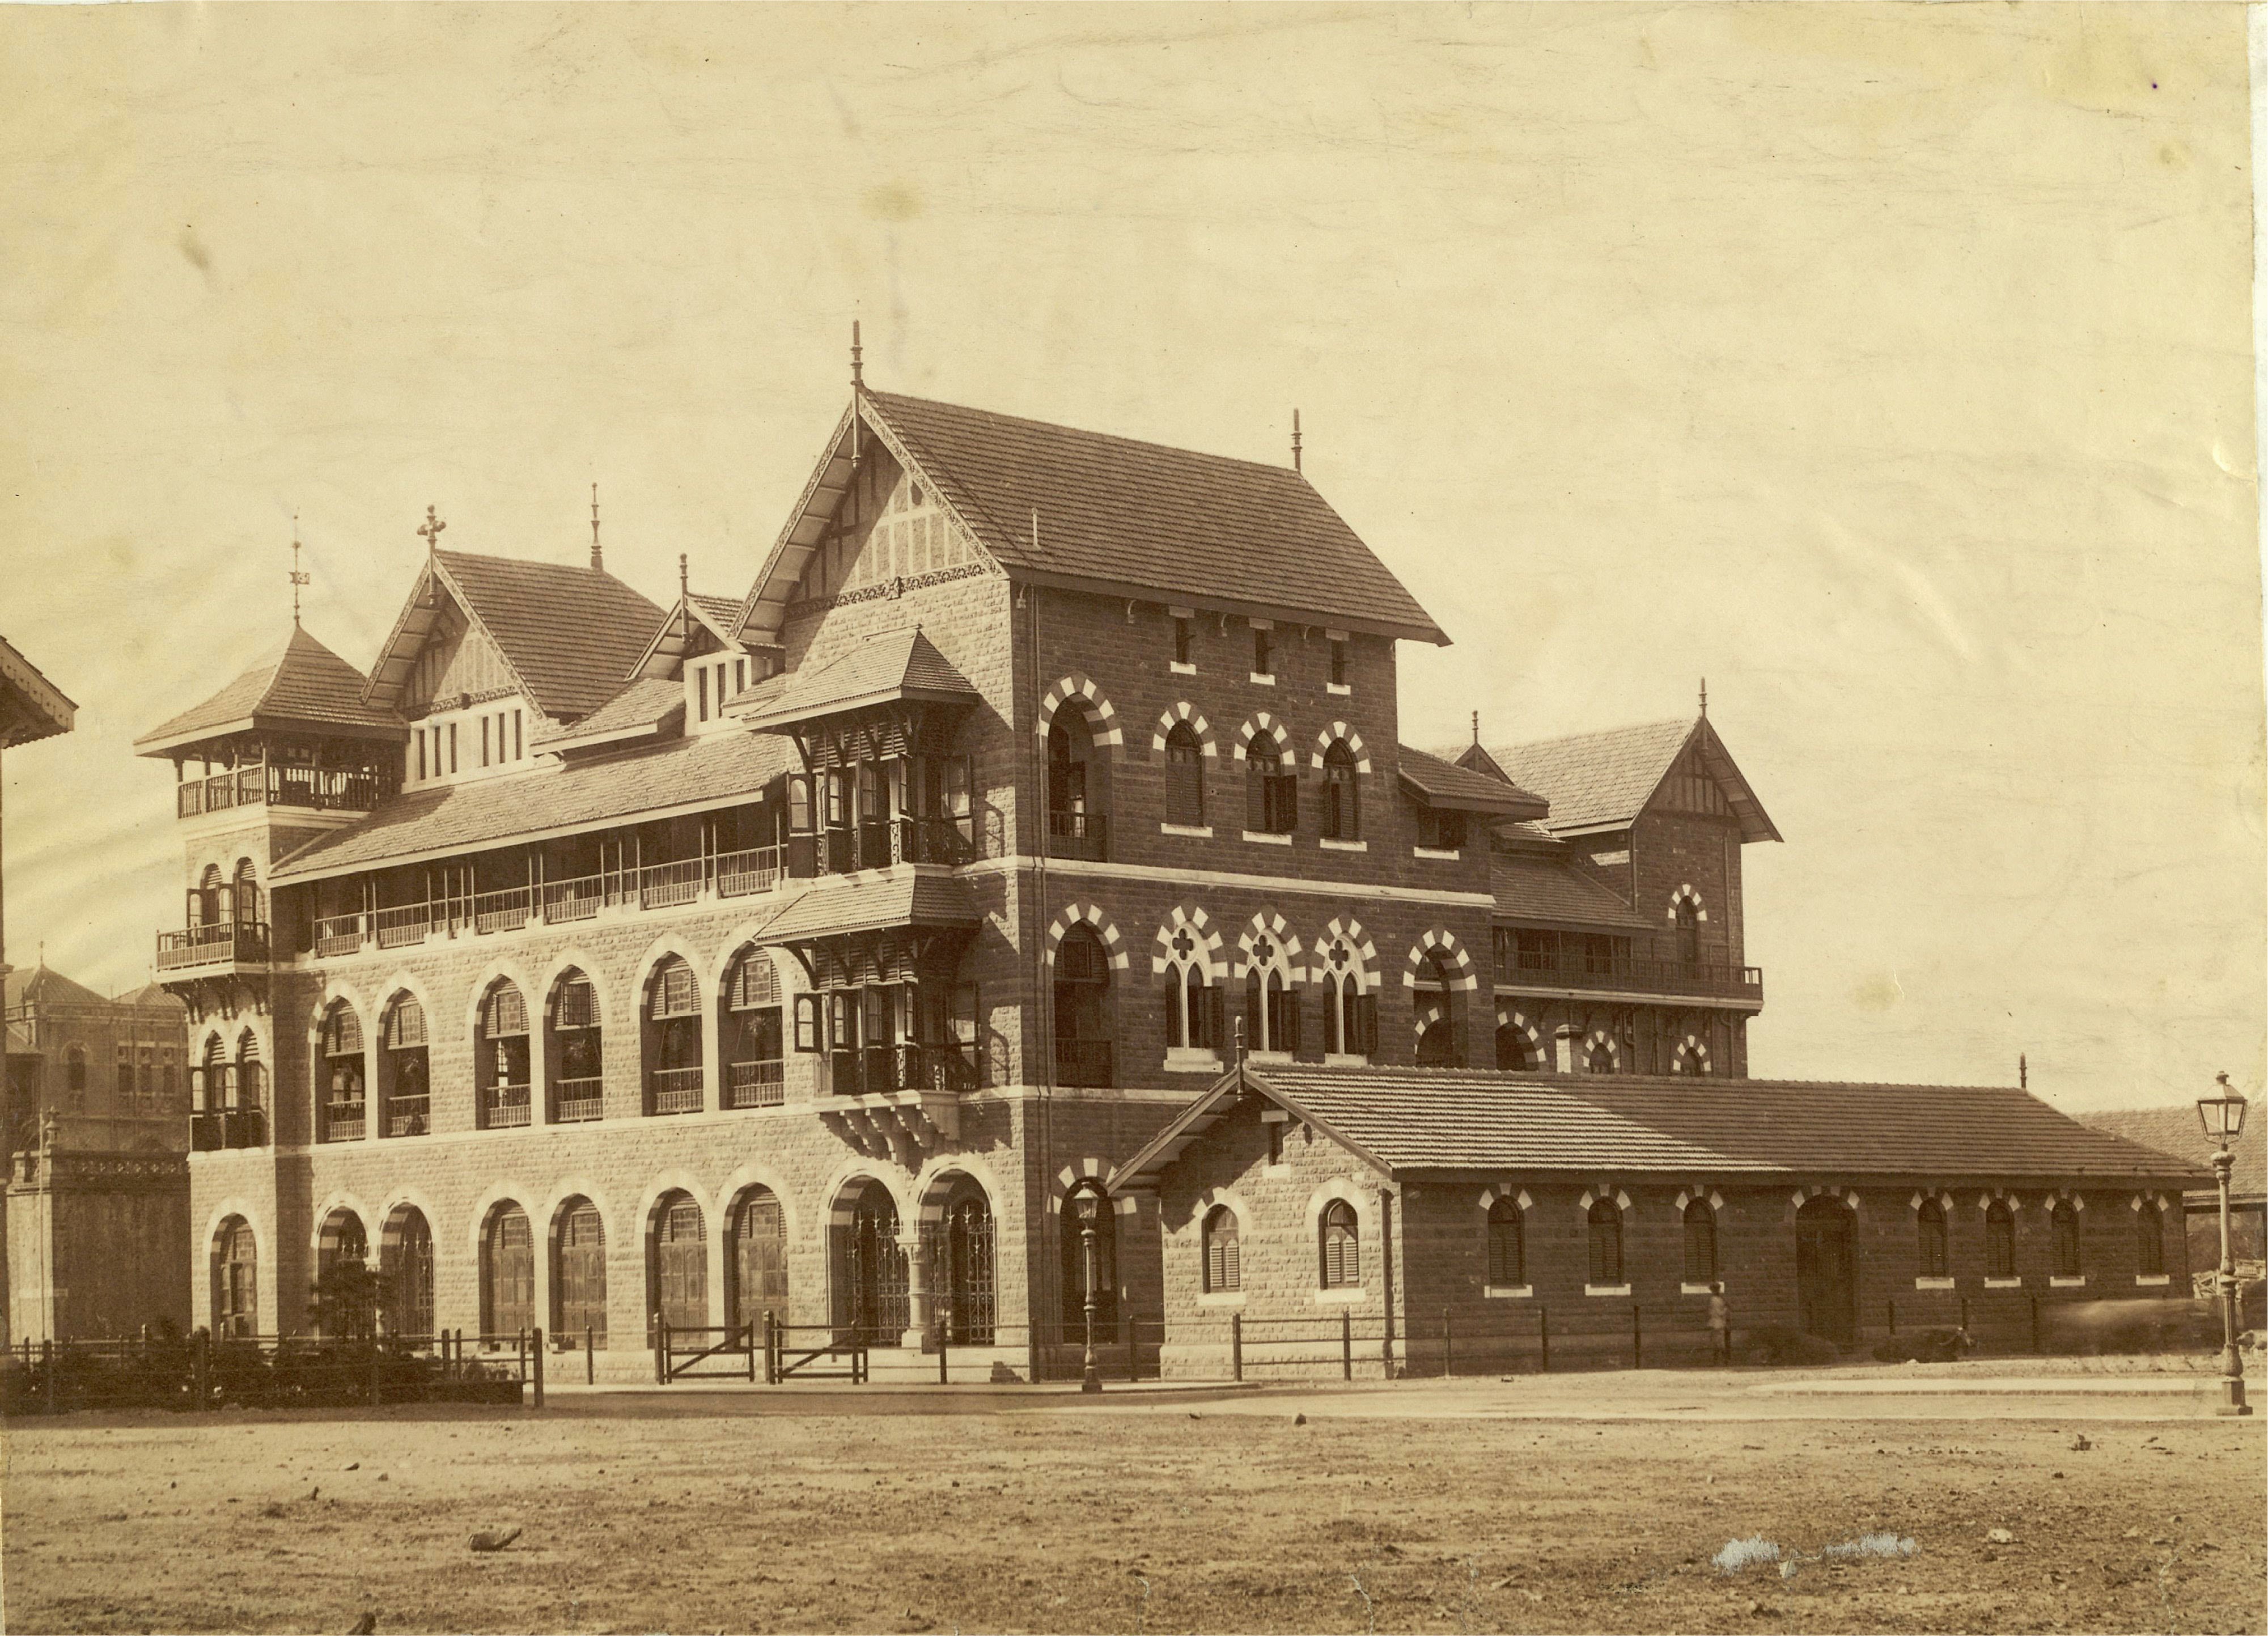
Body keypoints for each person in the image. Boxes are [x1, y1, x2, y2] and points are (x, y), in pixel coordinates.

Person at [1707, 1281, 1730, 1366]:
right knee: (1719, 1343)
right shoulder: (1721, 1300)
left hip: (1715, 1323)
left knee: (1717, 1343)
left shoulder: (1713, 1300)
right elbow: (1723, 1312)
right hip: (1720, 1324)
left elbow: (1714, 1313)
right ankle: (1723, 1361)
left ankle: (1719, 1361)